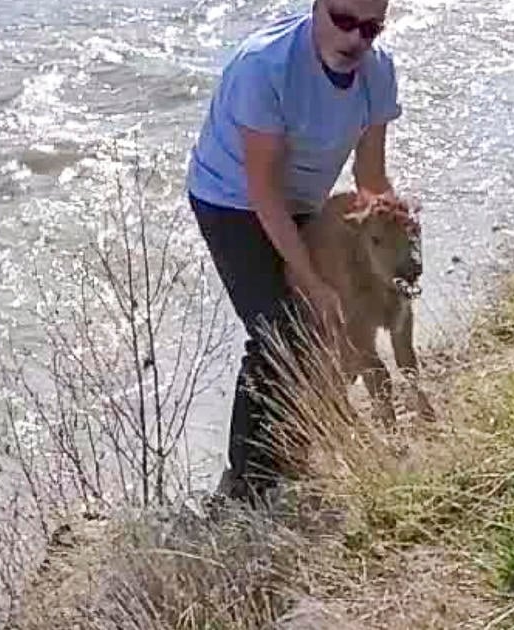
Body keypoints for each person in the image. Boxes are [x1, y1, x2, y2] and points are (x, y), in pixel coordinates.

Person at [185, 0, 403, 503]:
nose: (355, 39)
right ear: (316, 8)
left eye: (370, 29)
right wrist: (311, 280)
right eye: (343, 20)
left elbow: (369, 178)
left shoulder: (378, 73)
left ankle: (295, 449)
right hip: (231, 198)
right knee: (280, 330)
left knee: (339, 319)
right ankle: (245, 488)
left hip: (303, 198)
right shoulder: (265, 67)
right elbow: (263, 192)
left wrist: (392, 227)